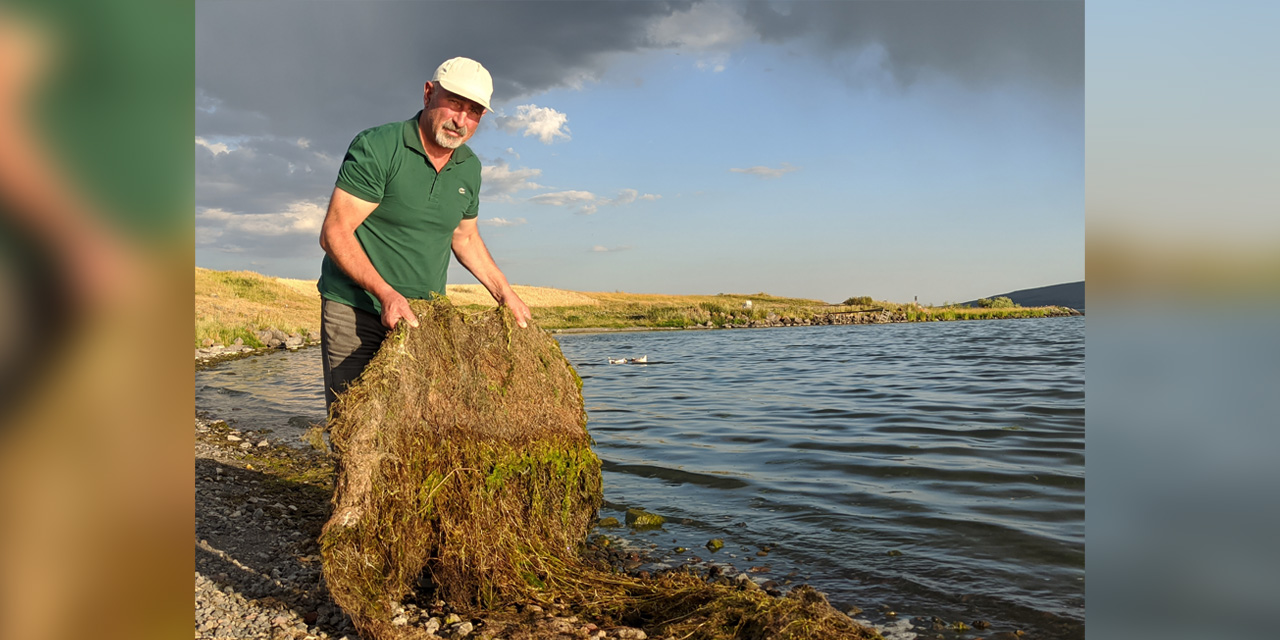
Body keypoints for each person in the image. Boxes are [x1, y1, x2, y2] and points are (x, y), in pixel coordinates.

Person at [317, 56, 531, 411]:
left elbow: (465, 238)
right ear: (429, 94)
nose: (461, 121)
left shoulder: (469, 168)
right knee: (354, 420)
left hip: (422, 317)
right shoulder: (379, 146)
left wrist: (504, 292)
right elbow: (335, 232)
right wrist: (386, 294)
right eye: (455, 104)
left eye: (474, 112)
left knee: (416, 420)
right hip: (356, 309)